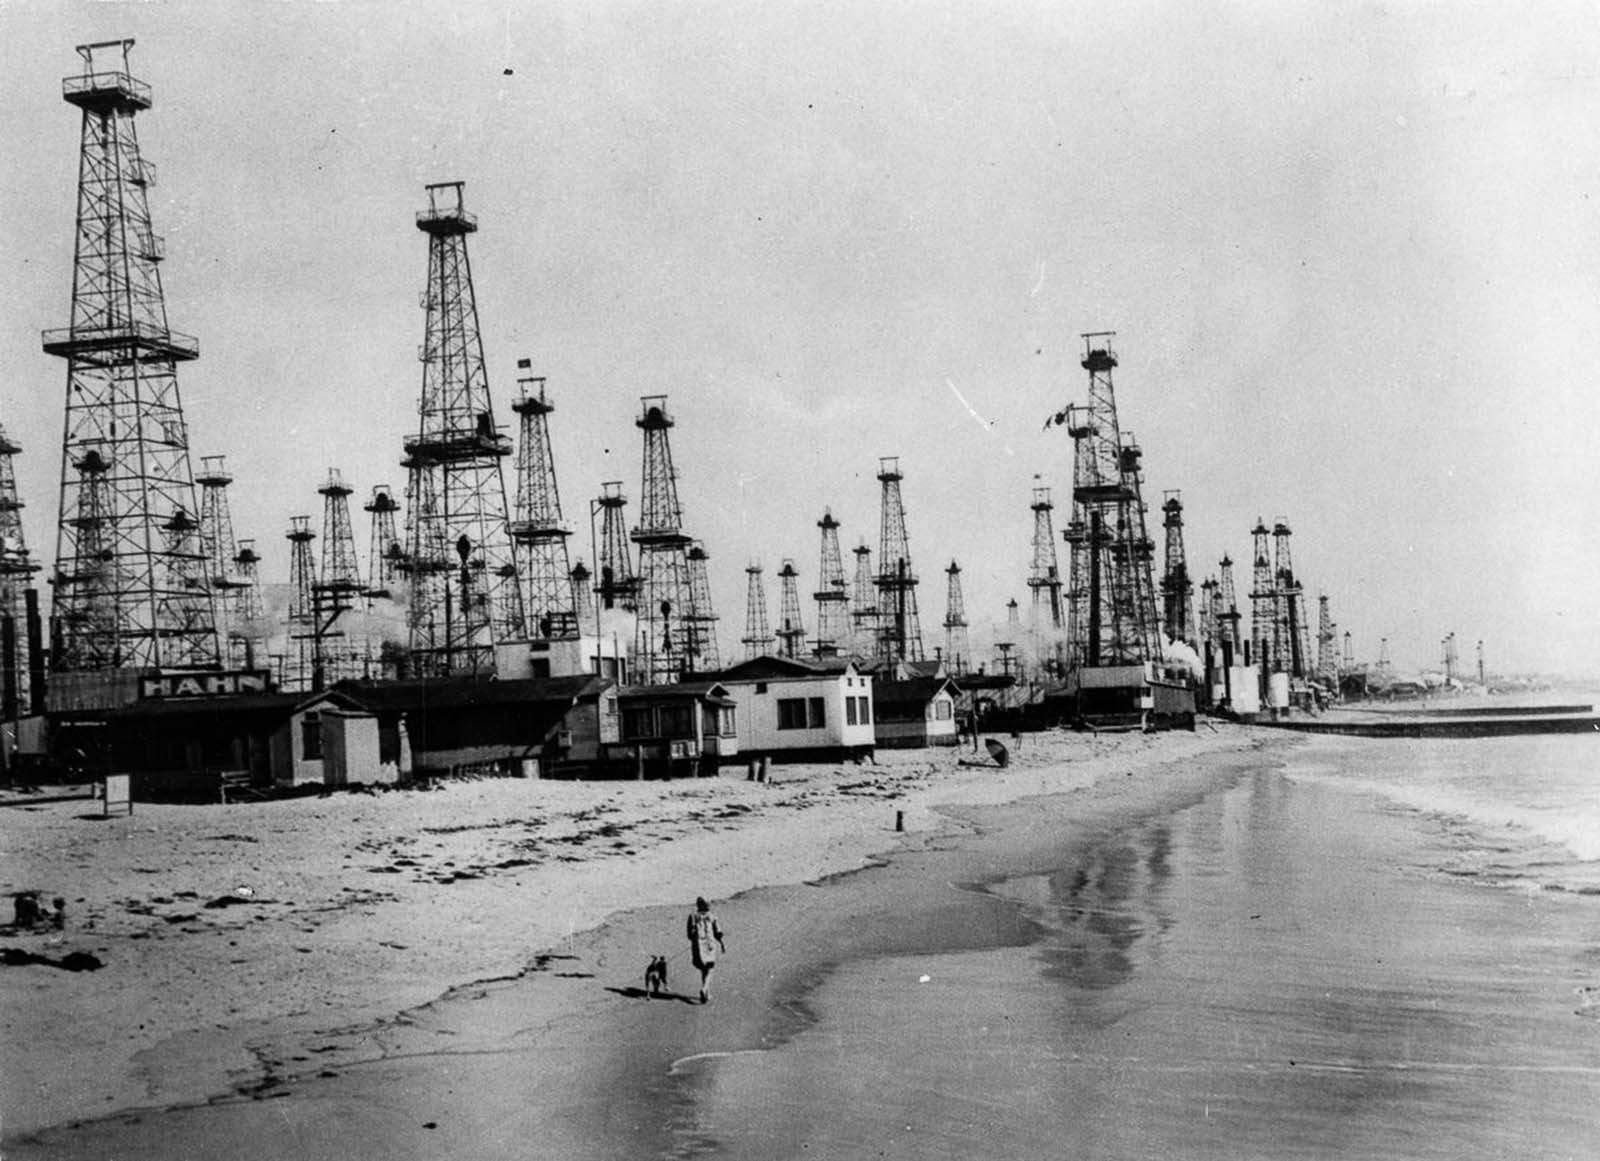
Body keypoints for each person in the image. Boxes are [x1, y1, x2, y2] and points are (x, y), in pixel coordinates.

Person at [686, 896, 725, 1004]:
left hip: (698, 946)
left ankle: (706, 994)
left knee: (704, 969)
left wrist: (695, 940)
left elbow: (689, 934)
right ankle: (704, 989)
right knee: (710, 969)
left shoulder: (692, 916)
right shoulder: (711, 916)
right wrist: (721, 942)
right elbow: (718, 931)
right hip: (710, 945)